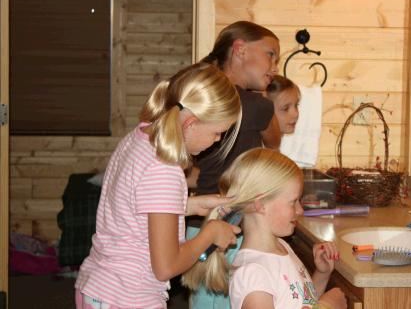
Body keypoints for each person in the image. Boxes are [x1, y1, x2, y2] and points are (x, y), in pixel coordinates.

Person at [74, 63, 243, 309]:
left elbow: (134, 208)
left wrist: (190, 206)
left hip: (99, 287)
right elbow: (166, 266)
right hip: (128, 298)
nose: (217, 141)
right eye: (217, 133)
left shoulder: (140, 138)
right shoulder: (165, 169)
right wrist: (210, 234)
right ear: (191, 123)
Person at [183, 148, 347, 309]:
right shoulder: (253, 274)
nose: (300, 210)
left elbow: (304, 303)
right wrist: (326, 306)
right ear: (260, 204)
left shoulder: (282, 247)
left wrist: (322, 275)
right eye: (293, 201)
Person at [193, 20, 282, 195]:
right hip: (227, 215)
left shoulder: (203, 94)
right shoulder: (255, 105)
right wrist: (262, 94)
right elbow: (274, 142)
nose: (275, 68)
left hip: (200, 212)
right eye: (270, 55)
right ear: (240, 49)